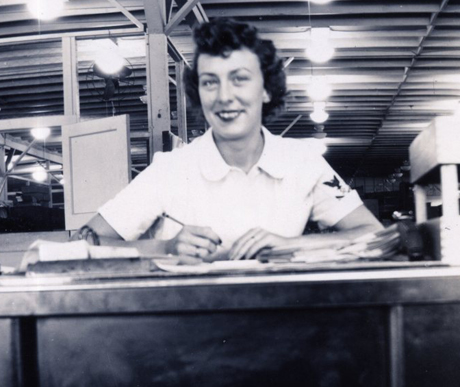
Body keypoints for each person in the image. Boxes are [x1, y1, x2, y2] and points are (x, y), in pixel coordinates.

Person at [82, 18, 382, 263]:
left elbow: (373, 234)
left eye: (239, 79)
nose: (224, 96)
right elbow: (87, 241)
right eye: (210, 82)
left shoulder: (302, 162)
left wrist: (291, 244)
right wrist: (166, 247)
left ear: (266, 90)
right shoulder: (170, 169)